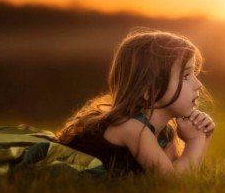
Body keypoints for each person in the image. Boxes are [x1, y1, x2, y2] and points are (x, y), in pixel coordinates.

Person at [56, 28, 215, 177]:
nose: (198, 84)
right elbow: (172, 180)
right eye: (185, 76)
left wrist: (203, 135)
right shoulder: (132, 128)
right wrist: (196, 141)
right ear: (148, 90)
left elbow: (183, 169)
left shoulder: (165, 132)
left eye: (194, 73)